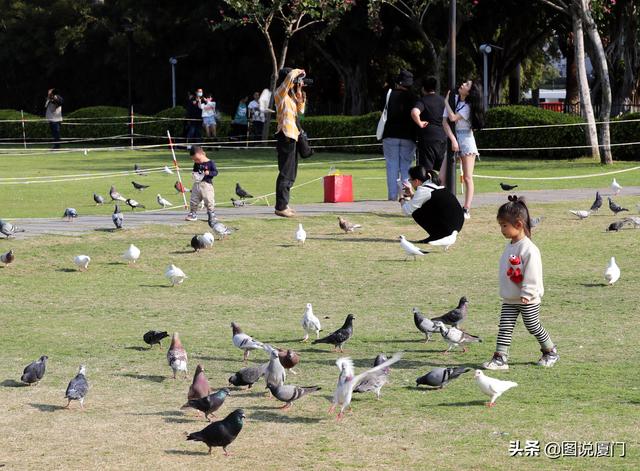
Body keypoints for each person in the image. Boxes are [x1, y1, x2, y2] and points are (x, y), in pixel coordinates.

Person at [482, 195, 559, 370]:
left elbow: (533, 273)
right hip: (510, 298)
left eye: (504, 225)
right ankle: (500, 357)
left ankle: (550, 351)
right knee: (505, 327)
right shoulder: (511, 245)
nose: (501, 229)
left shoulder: (529, 249)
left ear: (518, 224)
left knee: (533, 326)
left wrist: (527, 292)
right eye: (500, 225)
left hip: (526, 298)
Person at [441, 79, 485, 220]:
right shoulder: (454, 99)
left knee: (467, 177)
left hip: (466, 139)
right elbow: (445, 121)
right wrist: (453, 140)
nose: (462, 85)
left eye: (467, 85)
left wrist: (446, 102)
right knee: (442, 177)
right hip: (453, 138)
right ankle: (444, 206)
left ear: (470, 92)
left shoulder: (467, 105)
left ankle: (466, 208)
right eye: (464, 83)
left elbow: (453, 118)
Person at [399, 166, 464, 243]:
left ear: (416, 181)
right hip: (456, 225)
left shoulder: (423, 190)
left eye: (410, 180)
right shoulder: (433, 186)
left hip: (448, 228)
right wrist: (412, 195)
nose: (410, 183)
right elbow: (426, 201)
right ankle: (438, 235)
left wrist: (401, 198)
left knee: (416, 212)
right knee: (420, 207)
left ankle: (438, 236)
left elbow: (407, 211)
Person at [273, 67, 306, 217]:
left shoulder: (290, 97)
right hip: (285, 136)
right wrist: (298, 71)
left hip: (293, 137)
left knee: (291, 173)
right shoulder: (279, 93)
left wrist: (299, 95)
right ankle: (280, 206)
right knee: (285, 172)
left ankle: (284, 204)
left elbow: (300, 112)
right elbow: (287, 82)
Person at [381, 70, 416, 201]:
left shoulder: (389, 94)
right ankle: (406, 195)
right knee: (406, 166)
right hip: (408, 135)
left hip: (390, 134)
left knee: (391, 165)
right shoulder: (414, 97)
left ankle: (392, 196)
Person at [410, 77, 446, 172]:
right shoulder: (443, 100)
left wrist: (420, 123)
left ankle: (427, 186)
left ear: (423, 88)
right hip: (442, 136)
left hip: (427, 139)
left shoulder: (422, 101)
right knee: (443, 169)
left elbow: (414, 112)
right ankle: (443, 186)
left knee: (426, 170)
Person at [184, 146, 218, 222]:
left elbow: (216, 172)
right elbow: (195, 171)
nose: (196, 161)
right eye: (194, 160)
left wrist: (209, 173)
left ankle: (211, 214)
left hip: (207, 185)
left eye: (197, 159)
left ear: (201, 154)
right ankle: (193, 213)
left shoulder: (210, 163)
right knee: (194, 199)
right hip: (197, 184)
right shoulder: (196, 164)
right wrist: (194, 175)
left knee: (209, 199)